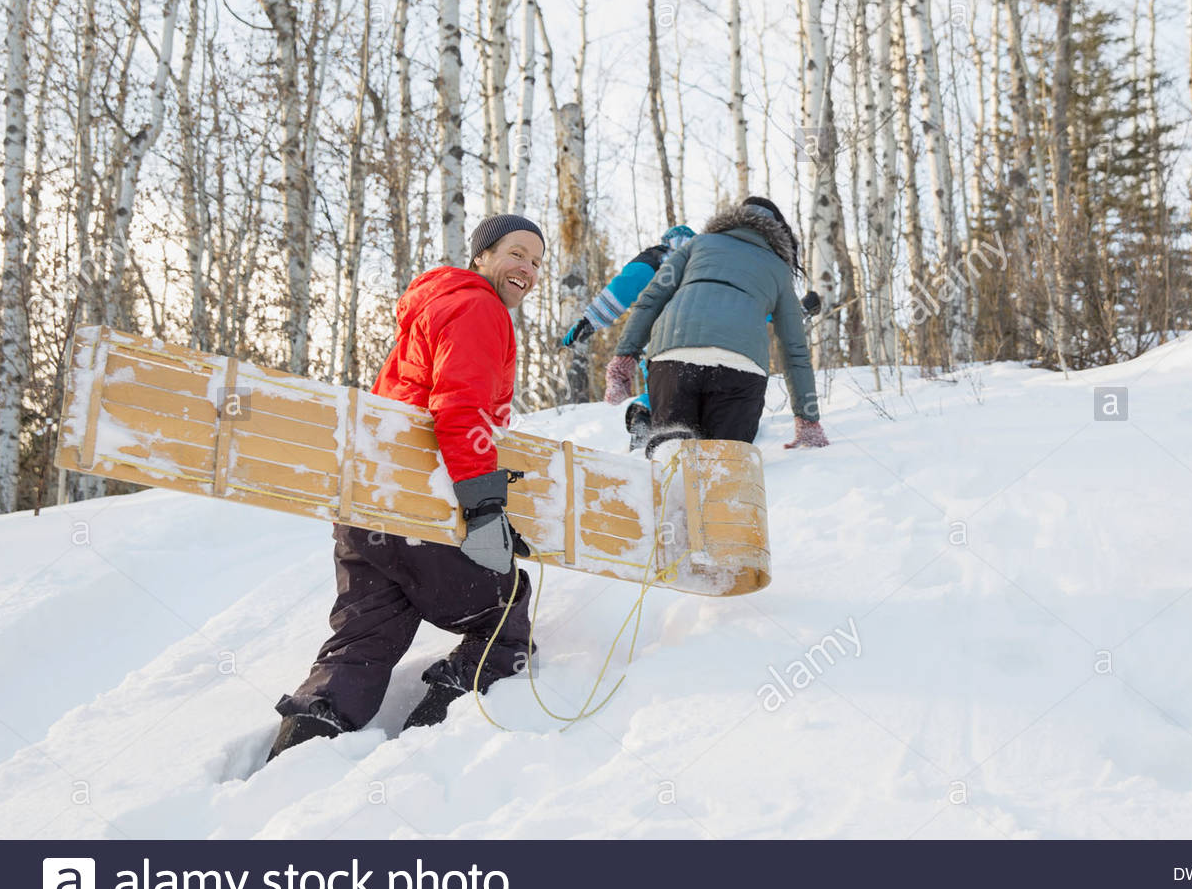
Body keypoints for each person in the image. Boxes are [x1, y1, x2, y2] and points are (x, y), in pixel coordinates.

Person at [267, 213, 547, 761]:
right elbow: (459, 409)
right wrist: (485, 508)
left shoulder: (434, 305)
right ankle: (426, 749)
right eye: (516, 253)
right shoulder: (479, 306)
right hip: (421, 507)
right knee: (504, 622)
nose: (528, 269)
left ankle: (292, 768)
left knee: (358, 648)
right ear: (482, 256)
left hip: (369, 510)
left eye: (537, 262)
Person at [604, 197, 829, 452]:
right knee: (726, 468)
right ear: (779, 230)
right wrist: (808, 419)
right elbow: (794, 348)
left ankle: (671, 474)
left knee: (673, 462)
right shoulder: (778, 268)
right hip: (740, 370)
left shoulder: (698, 245)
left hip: (674, 360)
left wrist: (624, 357)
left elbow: (652, 298)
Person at [561, 225, 696, 449]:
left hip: (659, 341)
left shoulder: (658, 256)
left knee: (657, 388)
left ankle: (644, 417)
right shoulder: (707, 261)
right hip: (706, 340)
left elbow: (625, 285)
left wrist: (590, 320)